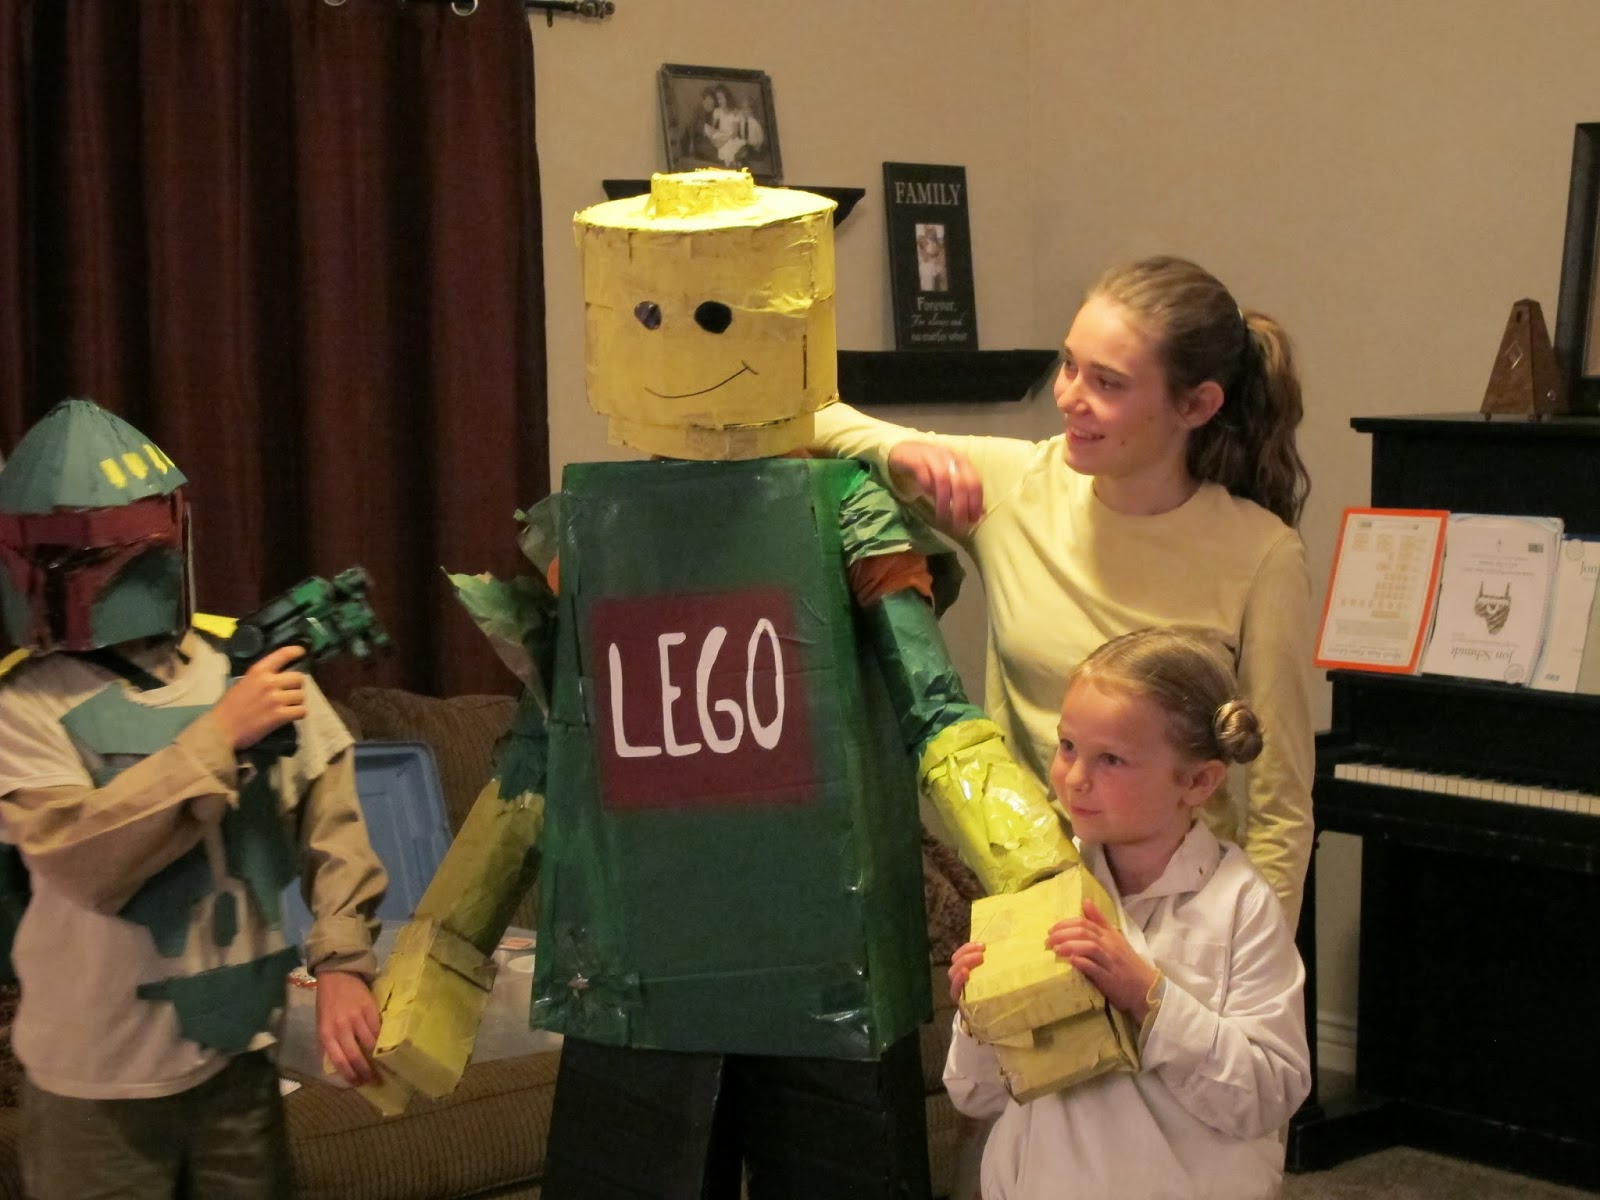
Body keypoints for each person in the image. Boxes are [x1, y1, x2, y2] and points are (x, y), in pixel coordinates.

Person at [811, 255, 1314, 928]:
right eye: (1069, 365)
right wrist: (893, 451)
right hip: (1036, 901)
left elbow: (1281, 805)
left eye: (1107, 383)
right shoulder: (1014, 489)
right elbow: (804, 419)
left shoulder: (1262, 554)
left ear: (1195, 405)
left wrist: (1257, 960)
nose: (1070, 396)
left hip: (1188, 917)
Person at [0, 398, 388, 1200]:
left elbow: (332, 810)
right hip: (94, 1081)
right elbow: (83, 855)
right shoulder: (25, 707)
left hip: (238, 1057)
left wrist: (344, 960)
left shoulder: (240, 667)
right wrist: (219, 738)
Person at [945, 627, 1311, 1200]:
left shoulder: (1240, 905)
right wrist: (981, 1016)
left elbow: (1267, 1095)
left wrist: (1149, 999)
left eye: (1111, 759)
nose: (1074, 778)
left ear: (1198, 781)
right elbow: (976, 1095)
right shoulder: (1040, 888)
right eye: (1068, 746)